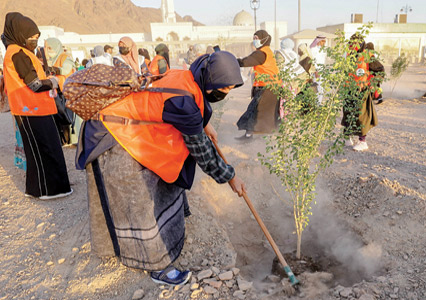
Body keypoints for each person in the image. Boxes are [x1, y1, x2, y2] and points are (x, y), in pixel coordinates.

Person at [75, 51, 246, 286]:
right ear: (210, 77)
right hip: (115, 137)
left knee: (163, 185)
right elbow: (203, 153)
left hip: (135, 132)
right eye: (223, 87)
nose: (225, 93)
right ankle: (157, 267)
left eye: (230, 89)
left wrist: (203, 124)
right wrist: (230, 176)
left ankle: (168, 233)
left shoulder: (187, 76)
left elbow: (186, 106)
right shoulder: (184, 98)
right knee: (140, 203)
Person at [2, 12, 72, 199]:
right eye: (31, 37)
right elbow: (34, 84)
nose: (34, 41)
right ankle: (46, 190)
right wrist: (56, 82)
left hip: (36, 108)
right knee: (43, 150)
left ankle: (41, 188)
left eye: (36, 37)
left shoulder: (21, 52)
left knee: (45, 149)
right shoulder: (17, 54)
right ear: (19, 34)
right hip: (30, 110)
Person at [342, 34, 384, 152]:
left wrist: (371, 84)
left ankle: (362, 141)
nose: (352, 46)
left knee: (361, 116)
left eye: (355, 44)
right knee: (348, 113)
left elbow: (380, 70)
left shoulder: (368, 56)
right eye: (351, 44)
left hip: (362, 91)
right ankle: (347, 138)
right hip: (348, 89)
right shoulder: (349, 54)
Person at [236, 30, 280, 140]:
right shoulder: (267, 51)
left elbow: (246, 62)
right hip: (273, 87)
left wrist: (232, 61)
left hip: (268, 87)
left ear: (264, 39)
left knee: (254, 111)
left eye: (257, 38)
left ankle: (249, 136)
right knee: (268, 113)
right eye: (254, 38)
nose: (255, 40)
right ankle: (274, 137)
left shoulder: (261, 53)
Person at [45, 37, 77, 145]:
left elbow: (66, 69)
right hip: (55, 92)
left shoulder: (65, 58)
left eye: (50, 48)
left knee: (66, 117)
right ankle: (61, 140)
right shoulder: (50, 60)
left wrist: (54, 69)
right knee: (58, 117)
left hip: (66, 92)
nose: (49, 50)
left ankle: (68, 141)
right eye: (47, 48)